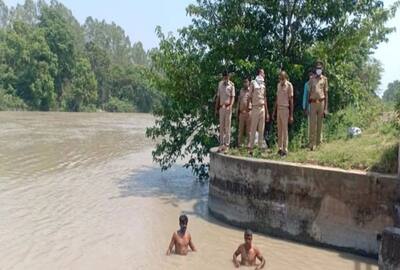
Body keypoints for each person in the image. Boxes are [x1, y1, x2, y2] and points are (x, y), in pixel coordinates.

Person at [248, 69, 270, 154]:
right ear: (260, 73)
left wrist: (267, 112)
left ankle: (260, 148)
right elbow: (249, 96)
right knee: (253, 128)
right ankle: (251, 148)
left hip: (262, 108)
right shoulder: (253, 83)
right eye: (263, 73)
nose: (264, 74)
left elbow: (264, 98)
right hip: (255, 107)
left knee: (262, 128)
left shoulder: (263, 84)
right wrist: (250, 107)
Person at [272, 71, 294, 157]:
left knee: (285, 130)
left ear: (285, 77)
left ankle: (285, 149)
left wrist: (291, 115)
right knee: (279, 129)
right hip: (279, 109)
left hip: (285, 109)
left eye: (282, 78)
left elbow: (291, 100)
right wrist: (274, 111)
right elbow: (277, 99)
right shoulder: (278, 85)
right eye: (279, 78)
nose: (280, 79)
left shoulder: (289, 85)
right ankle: (280, 148)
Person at [308, 61, 329, 151]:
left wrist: (326, 108)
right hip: (313, 103)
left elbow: (326, 93)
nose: (318, 70)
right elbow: (309, 92)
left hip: (321, 102)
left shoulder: (324, 79)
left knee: (320, 124)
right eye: (317, 68)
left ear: (322, 69)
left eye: (320, 68)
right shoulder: (311, 79)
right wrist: (307, 105)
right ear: (315, 69)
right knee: (312, 124)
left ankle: (319, 143)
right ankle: (312, 144)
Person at [215, 71, 235, 153]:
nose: (226, 79)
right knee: (221, 127)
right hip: (221, 107)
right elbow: (218, 97)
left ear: (228, 77)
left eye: (227, 77)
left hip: (228, 107)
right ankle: (221, 145)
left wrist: (231, 106)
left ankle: (227, 145)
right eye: (224, 77)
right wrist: (216, 108)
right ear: (223, 77)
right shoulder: (220, 84)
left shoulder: (231, 85)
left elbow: (233, 97)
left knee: (227, 127)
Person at [237, 77, 252, 147]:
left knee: (249, 131)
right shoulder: (241, 90)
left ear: (249, 82)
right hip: (241, 113)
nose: (245, 83)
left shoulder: (251, 91)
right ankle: (240, 145)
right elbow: (239, 101)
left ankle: (249, 145)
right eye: (244, 82)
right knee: (240, 130)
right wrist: (237, 111)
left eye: (246, 82)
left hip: (249, 112)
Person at [302, 71, 314, 137]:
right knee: (309, 123)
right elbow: (305, 96)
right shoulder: (306, 85)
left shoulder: (316, 84)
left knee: (316, 123)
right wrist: (304, 107)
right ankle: (310, 139)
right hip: (309, 106)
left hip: (316, 105)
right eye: (310, 77)